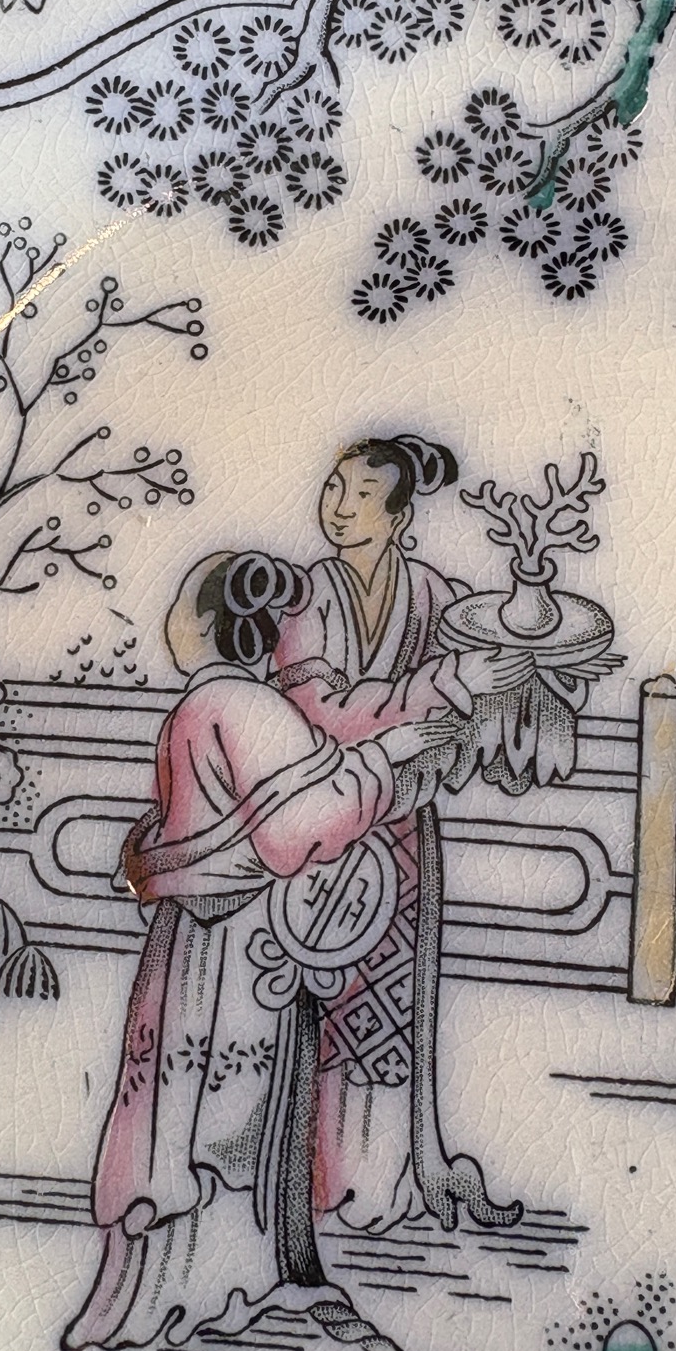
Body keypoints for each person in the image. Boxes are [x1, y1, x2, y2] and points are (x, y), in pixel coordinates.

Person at [62, 550, 463, 1351]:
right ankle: (217, 1279)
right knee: (226, 1102)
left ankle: (190, 1280)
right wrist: (391, 754)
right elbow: (303, 823)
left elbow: (270, 814)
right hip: (236, 947)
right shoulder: (244, 705)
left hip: (211, 942)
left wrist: (382, 754)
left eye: (181, 605)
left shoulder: (215, 704)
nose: (171, 620)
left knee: (196, 1103)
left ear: (209, 625)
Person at [273, 433, 533, 1235]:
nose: (339, 508)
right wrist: (440, 686)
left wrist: (526, 600)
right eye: (333, 488)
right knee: (325, 996)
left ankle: (389, 1175)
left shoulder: (429, 593)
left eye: (361, 495)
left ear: (398, 517)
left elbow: (491, 644)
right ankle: (320, 1181)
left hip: (403, 830)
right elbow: (317, 711)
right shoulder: (308, 598)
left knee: (395, 1003)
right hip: (324, 822)